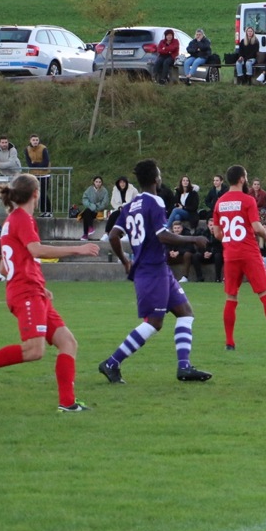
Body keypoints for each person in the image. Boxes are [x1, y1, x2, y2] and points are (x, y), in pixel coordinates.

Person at [0, 173, 100, 411]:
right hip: (26, 293)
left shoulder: (13, 219)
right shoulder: (21, 219)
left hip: (31, 290)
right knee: (34, 350)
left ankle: (67, 403)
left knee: (67, 342)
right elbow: (36, 250)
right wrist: (78, 249)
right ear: (35, 194)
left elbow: (3, 266)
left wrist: (38, 286)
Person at [100, 159, 213, 384]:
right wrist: (194, 239)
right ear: (155, 179)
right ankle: (112, 362)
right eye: (159, 173)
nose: (161, 177)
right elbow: (162, 235)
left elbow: (113, 235)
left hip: (156, 269)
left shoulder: (131, 205)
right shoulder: (155, 201)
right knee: (154, 322)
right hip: (152, 270)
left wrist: (125, 260)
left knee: (185, 313)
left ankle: (184, 367)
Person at [211, 164, 266, 351]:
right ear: (242, 179)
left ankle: (229, 342)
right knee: (265, 294)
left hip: (230, 255)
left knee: (231, 297)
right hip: (249, 253)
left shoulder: (219, 202)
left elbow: (217, 233)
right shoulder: (248, 200)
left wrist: (228, 240)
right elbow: (256, 226)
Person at [103, 175, 138, 241]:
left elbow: (136, 201)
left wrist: (125, 206)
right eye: (121, 182)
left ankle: (128, 235)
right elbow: (113, 202)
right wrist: (119, 207)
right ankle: (106, 233)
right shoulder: (115, 189)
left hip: (131, 209)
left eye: (124, 182)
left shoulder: (133, 190)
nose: (122, 184)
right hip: (119, 208)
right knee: (113, 215)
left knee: (126, 216)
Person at [24, 134, 51, 216]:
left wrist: (36, 164)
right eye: (33, 140)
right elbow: (29, 162)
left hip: (44, 174)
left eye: (36, 140)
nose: (35, 142)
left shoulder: (43, 148)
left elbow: (46, 162)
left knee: (43, 193)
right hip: (34, 175)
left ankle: (49, 211)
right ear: (30, 141)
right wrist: (34, 165)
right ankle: (43, 211)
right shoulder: (27, 149)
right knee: (36, 194)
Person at [80, 175, 109, 240]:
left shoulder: (104, 191)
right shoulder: (89, 189)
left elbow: (105, 203)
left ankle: (85, 234)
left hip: (99, 211)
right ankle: (89, 229)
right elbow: (85, 199)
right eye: (96, 182)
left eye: (99, 182)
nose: (98, 183)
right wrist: (91, 206)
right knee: (86, 212)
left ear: (101, 183)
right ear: (94, 182)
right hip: (90, 209)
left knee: (86, 214)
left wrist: (96, 207)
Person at [192, 217, 221, 282]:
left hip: (215, 255)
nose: (212, 227)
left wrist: (212, 253)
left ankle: (218, 278)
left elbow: (221, 248)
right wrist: (204, 253)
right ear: (208, 225)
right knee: (195, 256)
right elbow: (200, 246)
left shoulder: (220, 234)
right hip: (205, 255)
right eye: (210, 225)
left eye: (214, 225)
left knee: (218, 256)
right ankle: (199, 277)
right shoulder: (204, 234)